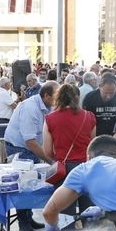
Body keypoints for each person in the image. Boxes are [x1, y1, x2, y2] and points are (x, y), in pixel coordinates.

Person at [4, 81, 59, 231]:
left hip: (31, 147)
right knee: (23, 185)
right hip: (19, 147)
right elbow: (30, 141)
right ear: (46, 96)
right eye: (56, 96)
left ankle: (29, 218)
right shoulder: (30, 108)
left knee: (31, 184)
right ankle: (24, 224)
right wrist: (50, 160)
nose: (58, 99)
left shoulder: (49, 106)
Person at [42, 83, 96, 216]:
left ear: (58, 98)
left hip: (64, 170)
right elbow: (93, 146)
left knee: (65, 215)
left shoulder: (50, 119)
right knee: (89, 213)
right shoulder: (89, 116)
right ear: (77, 98)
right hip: (86, 168)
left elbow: (47, 151)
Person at [82, 72, 116, 136]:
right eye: (105, 93)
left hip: (115, 137)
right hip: (95, 137)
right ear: (99, 87)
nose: (108, 96)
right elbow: (85, 120)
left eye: (112, 93)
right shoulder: (90, 98)